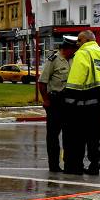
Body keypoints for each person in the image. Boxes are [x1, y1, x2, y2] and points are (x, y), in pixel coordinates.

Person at [62, 30, 100, 175]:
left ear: (85, 41)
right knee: (94, 137)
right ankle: (95, 165)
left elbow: (76, 80)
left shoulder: (83, 54)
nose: (77, 44)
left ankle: (76, 167)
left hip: (82, 104)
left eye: (79, 41)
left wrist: (68, 103)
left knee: (78, 137)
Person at [38, 35, 78, 172]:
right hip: (55, 101)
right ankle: (54, 165)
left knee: (70, 135)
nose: (74, 52)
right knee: (53, 136)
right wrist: (46, 100)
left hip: (70, 102)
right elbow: (42, 82)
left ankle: (69, 164)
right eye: (73, 49)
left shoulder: (74, 59)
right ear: (66, 49)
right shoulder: (53, 60)